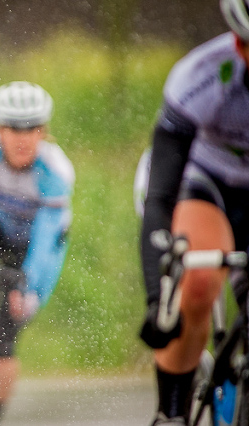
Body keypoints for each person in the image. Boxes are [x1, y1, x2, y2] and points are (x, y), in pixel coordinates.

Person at [139, 0, 249, 424]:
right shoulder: (201, 76)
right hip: (204, 183)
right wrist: (157, 297)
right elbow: (160, 198)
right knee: (200, 283)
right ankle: (172, 413)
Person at [0, 81, 75, 424]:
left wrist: (28, 287)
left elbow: (46, 238)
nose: (22, 138)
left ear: (43, 132)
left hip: (33, 249)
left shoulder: (55, 170)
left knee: (7, 327)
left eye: (31, 129)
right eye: (13, 129)